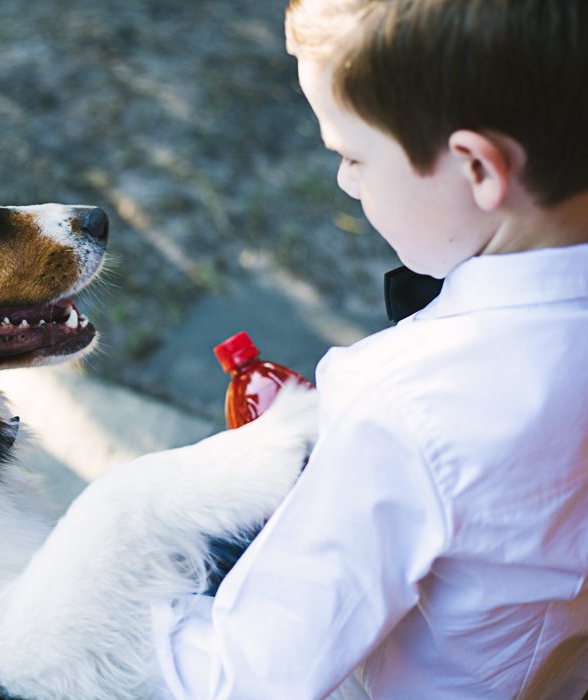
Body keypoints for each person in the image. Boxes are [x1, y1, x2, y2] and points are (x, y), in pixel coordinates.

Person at [149, 0, 588, 698]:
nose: (345, 182)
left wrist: (106, 609)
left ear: (476, 168)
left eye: (352, 155)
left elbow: (248, 674)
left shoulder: (404, 403)